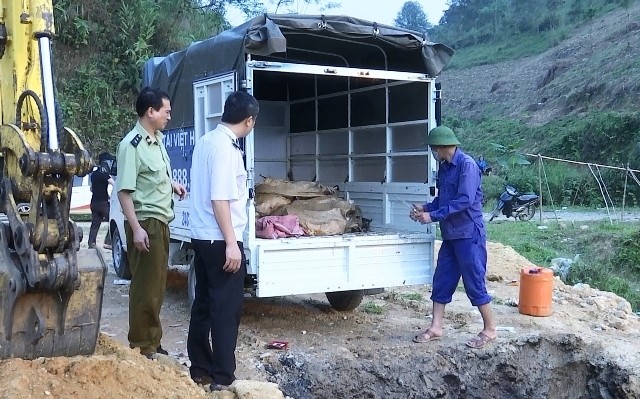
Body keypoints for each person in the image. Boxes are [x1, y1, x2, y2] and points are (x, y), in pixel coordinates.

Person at [187, 91, 259, 390]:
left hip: (202, 237)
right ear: (249, 120)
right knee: (225, 309)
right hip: (220, 239)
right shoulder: (227, 150)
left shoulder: (206, 141)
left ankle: (200, 369)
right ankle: (222, 377)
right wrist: (232, 242)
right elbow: (220, 200)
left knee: (203, 304)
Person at [410, 125, 497, 349]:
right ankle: (436, 327)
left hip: (469, 234)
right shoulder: (445, 168)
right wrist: (425, 208)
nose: (432, 152)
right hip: (451, 235)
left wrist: (433, 216)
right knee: (442, 280)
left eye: (433, 148)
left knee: (474, 282)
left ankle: (490, 329)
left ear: (441, 147)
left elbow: (464, 200)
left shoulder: (467, 166)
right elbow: (443, 201)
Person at [115, 87, 187, 358]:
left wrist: (172, 184)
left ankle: (153, 342)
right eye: (166, 111)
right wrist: (136, 229)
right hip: (146, 223)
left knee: (157, 286)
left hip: (160, 221)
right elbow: (125, 191)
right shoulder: (131, 145)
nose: (169, 116)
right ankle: (141, 345)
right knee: (145, 288)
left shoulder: (156, 140)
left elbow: (152, 177)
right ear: (151, 111)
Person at [87, 152, 115, 250]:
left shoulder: (94, 174)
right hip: (103, 204)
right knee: (113, 221)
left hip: (94, 202)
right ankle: (108, 242)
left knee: (95, 224)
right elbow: (113, 184)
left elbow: (92, 189)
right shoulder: (105, 173)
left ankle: (91, 243)